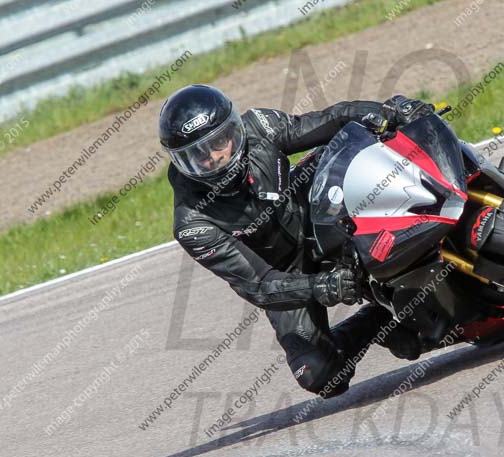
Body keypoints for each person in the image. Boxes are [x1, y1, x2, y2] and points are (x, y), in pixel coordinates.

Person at [159, 84, 436, 398]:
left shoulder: (259, 126)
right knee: (319, 374)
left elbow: (330, 119)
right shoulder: (192, 223)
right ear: (180, 162)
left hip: (317, 211)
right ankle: (378, 320)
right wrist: (321, 286)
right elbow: (260, 286)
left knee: (369, 147)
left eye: (219, 142)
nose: (214, 158)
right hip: (287, 274)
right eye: (198, 155)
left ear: (234, 129)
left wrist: (388, 111)